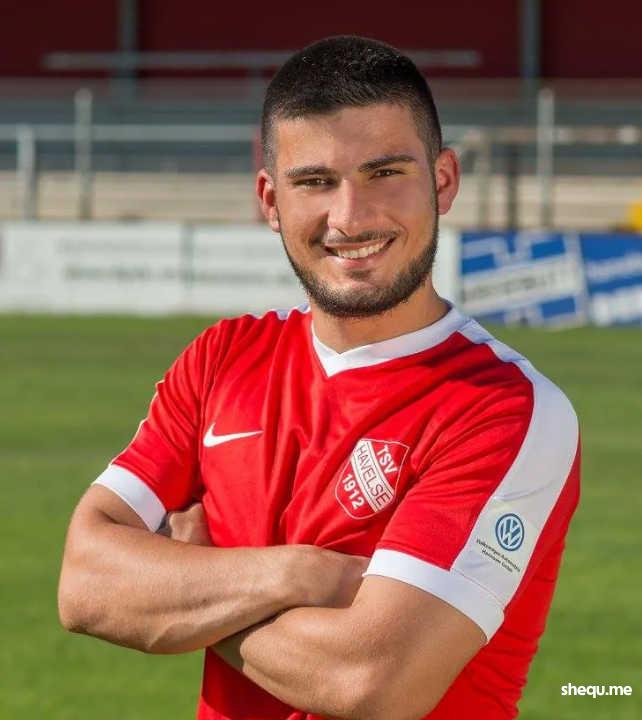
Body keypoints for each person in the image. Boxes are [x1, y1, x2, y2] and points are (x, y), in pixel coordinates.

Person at [58, 36, 580, 720]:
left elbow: (372, 681)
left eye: (385, 172)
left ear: (444, 180)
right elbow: (85, 583)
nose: (350, 217)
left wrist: (192, 589)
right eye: (315, 182)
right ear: (270, 200)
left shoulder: (508, 409)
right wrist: (298, 573)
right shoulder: (222, 359)